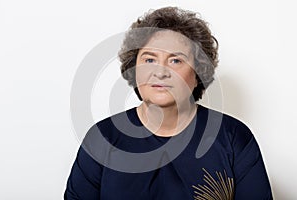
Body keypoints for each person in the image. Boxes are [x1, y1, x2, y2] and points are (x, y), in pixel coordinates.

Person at [64, 7, 273, 199]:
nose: (161, 72)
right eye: (149, 59)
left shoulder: (234, 138)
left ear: (198, 73)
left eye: (176, 60)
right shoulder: (102, 137)